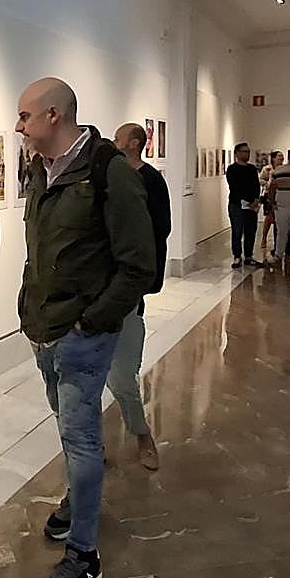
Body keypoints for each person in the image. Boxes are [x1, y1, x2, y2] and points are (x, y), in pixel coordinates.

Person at [16, 79, 155, 578]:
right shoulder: (39, 171)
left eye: (25, 115)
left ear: (54, 115)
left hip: (83, 334)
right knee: (68, 426)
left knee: (80, 437)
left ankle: (84, 553)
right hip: (43, 328)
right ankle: (77, 501)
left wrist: (92, 322)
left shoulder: (107, 170)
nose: (18, 125)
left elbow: (138, 263)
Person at [111, 123, 171, 471]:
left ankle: (142, 434)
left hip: (128, 288)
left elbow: (161, 226)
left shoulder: (149, 179)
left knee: (122, 377)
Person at [225, 142, 261, 269]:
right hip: (237, 204)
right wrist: (245, 200)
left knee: (251, 231)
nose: (247, 154)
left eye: (248, 151)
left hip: (252, 205)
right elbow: (234, 187)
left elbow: (256, 185)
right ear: (237, 153)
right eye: (244, 151)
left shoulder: (252, 169)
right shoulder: (232, 169)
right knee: (237, 231)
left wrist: (256, 200)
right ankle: (237, 256)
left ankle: (249, 256)